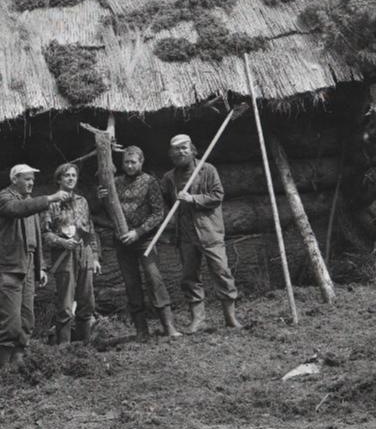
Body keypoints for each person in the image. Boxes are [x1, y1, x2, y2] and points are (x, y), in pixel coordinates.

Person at [0, 164, 72, 370]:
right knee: (10, 319)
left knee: (27, 318)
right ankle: (1, 367)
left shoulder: (29, 203)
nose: (31, 183)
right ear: (14, 179)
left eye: (32, 180)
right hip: (10, 267)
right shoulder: (4, 199)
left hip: (28, 266)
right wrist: (50, 198)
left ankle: (19, 359)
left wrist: (40, 267)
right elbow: (18, 211)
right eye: (26, 179)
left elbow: (35, 239)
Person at [160, 134, 241, 333]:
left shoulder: (207, 170)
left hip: (210, 232)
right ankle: (198, 320)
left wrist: (193, 198)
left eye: (184, 148)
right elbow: (166, 203)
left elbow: (217, 195)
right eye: (176, 150)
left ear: (193, 149)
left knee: (222, 272)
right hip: (186, 236)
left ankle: (231, 318)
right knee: (189, 277)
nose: (180, 152)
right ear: (171, 154)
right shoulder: (169, 177)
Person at [100, 146, 181, 340]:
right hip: (122, 242)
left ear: (141, 162)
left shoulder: (149, 182)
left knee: (155, 279)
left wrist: (138, 232)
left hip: (145, 241)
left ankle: (168, 326)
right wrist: (103, 198)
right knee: (131, 283)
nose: (129, 165)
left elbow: (158, 213)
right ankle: (141, 330)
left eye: (133, 162)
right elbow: (109, 211)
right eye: (126, 162)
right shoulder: (115, 183)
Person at [41, 163, 101, 345]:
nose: (71, 179)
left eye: (74, 175)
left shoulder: (83, 201)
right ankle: (64, 348)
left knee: (87, 301)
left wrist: (95, 256)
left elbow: (90, 229)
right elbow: (45, 233)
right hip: (64, 255)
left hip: (85, 253)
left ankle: (85, 345)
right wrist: (62, 242)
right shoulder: (51, 203)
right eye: (67, 175)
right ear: (59, 179)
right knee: (66, 304)